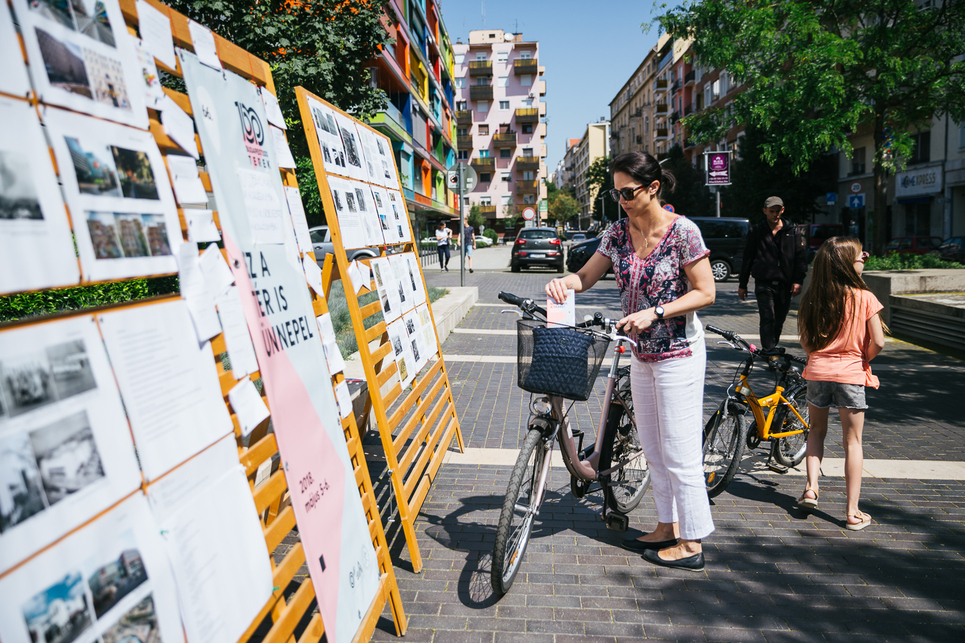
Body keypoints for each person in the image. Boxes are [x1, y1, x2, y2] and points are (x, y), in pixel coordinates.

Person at [545, 151, 716, 571]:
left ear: (653, 188)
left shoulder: (683, 233)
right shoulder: (618, 233)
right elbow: (586, 277)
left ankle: (692, 542)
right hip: (641, 356)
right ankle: (665, 525)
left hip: (679, 354)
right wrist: (564, 284)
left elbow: (706, 292)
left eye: (628, 192)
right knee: (654, 450)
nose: (620, 199)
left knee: (680, 452)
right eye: (615, 192)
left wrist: (657, 312)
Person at [796, 237, 886, 531]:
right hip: (850, 374)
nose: (866, 257)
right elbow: (879, 343)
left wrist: (821, 358)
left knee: (816, 432)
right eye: (862, 255)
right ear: (848, 262)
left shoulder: (813, 297)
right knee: (853, 442)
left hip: (817, 373)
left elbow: (807, 343)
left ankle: (811, 488)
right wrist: (862, 360)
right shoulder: (865, 298)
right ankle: (852, 511)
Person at [737, 196, 807, 351]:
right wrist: (742, 285)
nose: (775, 214)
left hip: (785, 283)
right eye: (771, 211)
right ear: (765, 211)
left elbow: (800, 257)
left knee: (779, 320)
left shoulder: (792, 230)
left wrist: (798, 281)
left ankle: (772, 346)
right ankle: (769, 351)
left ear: (782, 210)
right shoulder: (757, 231)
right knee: (767, 317)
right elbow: (748, 258)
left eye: (778, 211)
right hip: (764, 283)